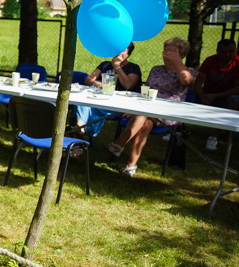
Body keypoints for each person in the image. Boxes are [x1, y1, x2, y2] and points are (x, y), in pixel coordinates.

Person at [104, 37, 195, 177]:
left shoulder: (187, 71)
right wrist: (134, 109)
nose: (166, 54)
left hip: (169, 113)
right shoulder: (156, 69)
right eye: (165, 50)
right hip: (148, 109)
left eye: (171, 51)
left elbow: (186, 80)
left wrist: (178, 62)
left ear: (182, 54)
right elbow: (146, 90)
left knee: (142, 115)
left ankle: (119, 143)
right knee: (145, 123)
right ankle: (130, 166)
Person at [73, 43, 141, 138]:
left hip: (117, 102)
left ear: (129, 53)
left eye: (123, 50)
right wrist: (98, 84)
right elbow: (89, 79)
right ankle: (80, 127)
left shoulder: (133, 68)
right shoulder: (105, 65)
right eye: (118, 49)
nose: (119, 52)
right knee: (83, 101)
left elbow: (128, 85)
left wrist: (117, 67)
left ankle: (81, 129)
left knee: (88, 106)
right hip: (98, 97)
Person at [193, 38, 239, 150]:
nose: (227, 54)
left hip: (225, 96)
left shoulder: (238, 64)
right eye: (224, 52)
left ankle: (214, 137)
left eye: (231, 51)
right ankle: (177, 129)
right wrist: (203, 97)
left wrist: (215, 96)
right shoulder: (210, 61)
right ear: (217, 51)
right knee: (187, 93)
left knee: (234, 100)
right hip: (207, 94)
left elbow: (237, 89)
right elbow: (198, 83)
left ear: (236, 50)